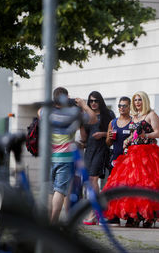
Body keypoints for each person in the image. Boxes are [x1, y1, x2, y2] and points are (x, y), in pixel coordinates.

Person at [102, 91, 159, 228]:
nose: (137, 102)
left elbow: (157, 133)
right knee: (132, 185)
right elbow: (134, 135)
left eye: (139, 99)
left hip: (148, 154)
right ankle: (135, 216)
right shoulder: (134, 117)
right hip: (133, 154)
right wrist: (128, 140)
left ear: (144, 100)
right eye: (135, 100)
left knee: (149, 185)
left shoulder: (151, 114)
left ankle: (149, 216)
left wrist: (144, 135)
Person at [39, 87, 96, 224]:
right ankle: (53, 224)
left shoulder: (47, 113)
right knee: (60, 191)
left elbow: (39, 111)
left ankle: (46, 225)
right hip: (65, 158)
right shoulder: (71, 115)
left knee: (49, 191)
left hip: (49, 158)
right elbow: (93, 119)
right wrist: (83, 105)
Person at [81, 91, 115, 225]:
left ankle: (94, 213)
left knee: (93, 179)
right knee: (89, 181)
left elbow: (114, 132)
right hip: (89, 149)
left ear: (100, 101)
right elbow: (84, 138)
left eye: (96, 101)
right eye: (91, 101)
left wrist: (102, 133)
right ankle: (97, 211)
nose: (93, 103)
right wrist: (81, 125)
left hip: (102, 148)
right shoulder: (86, 116)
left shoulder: (108, 114)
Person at [104, 96, 132, 226]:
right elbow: (108, 143)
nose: (121, 108)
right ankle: (114, 216)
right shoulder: (113, 122)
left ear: (129, 107)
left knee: (129, 189)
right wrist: (109, 137)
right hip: (115, 160)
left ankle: (130, 216)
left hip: (129, 160)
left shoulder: (133, 122)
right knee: (114, 189)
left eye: (124, 106)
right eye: (120, 106)